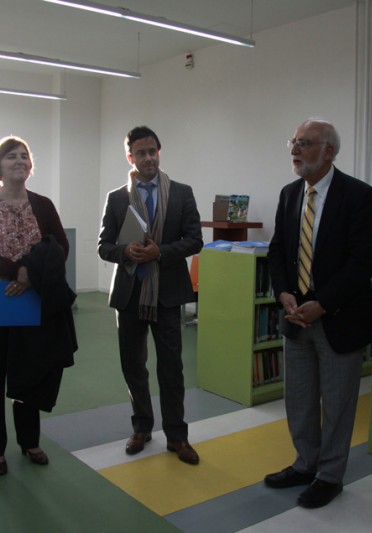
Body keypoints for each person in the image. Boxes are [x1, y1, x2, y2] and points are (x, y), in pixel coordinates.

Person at [264, 118, 372, 508]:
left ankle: (330, 475)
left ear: (329, 150)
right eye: (293, 141)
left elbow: (361, 262)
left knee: (337, 404)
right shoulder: (288, 194)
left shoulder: (359, 196)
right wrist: (284, 294)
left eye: (305, 143)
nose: (295, 149)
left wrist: (323, 303)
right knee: (298, 399)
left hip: (338, 318)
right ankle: (305, 463)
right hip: (296, 318)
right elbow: (278, 251)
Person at [0, 136, 77, 476]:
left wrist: (31, 274)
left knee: (30, 373)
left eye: (25, 156)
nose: (20, 161)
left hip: (32, 303)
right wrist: (18, 270)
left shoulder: (42, 204)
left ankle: (29, 440)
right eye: (12, 156)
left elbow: (60, 247)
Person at [98, 126, 203, 465]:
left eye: (152, 151)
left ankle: (177, 436)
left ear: (159, 152)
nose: (148, 158)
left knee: (172, 367)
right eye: (141, 153)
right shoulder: (117, 198)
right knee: (134, 365)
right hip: (130, 293)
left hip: (168, 292)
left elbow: (195, 240)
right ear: (130, 157)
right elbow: (104, 246)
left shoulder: (183, 193)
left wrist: (160, 252)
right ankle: (141, 427)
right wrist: (124, 250)